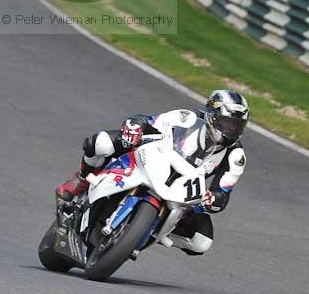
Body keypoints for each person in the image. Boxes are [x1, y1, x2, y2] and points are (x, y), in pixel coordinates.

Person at [56, 89, 249, 257]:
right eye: (226, 123)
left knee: (201, 242)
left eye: (236, 126)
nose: (231, 130)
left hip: (182, 191)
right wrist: (134, 127)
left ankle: (148, 231)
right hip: (155, 159)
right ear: (212, 116)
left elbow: (222, 194)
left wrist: (211, 199)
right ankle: (80, 180)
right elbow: (148, 121)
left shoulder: (236, 155)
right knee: (100, 142)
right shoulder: (187, 118)